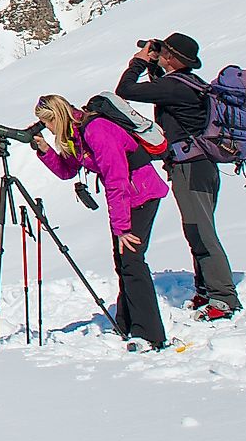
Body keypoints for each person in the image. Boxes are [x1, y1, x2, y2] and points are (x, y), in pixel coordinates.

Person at [115, 32, 241, 321]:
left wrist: (137, 62)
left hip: (190, 168)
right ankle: (208, 290)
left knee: (201, 230)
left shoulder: (174, 87)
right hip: (202, 166)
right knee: (197, 228)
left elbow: (126, 91)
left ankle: (224, 298)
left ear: (170, 56)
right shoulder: (191, 84)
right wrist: (154, 66)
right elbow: (159, 90)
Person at [30, 94, 168, 350]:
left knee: (132, 262)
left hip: (140, 193)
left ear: (56, 118)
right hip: (130, 196)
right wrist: (46, 151)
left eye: (46, 123)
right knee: (123, 261)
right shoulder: (77, 133)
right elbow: (67, 171)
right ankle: (127, 322)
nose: (47, 129)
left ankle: (151, 334)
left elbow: (116, 180)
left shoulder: (96, 130)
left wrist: (122, 228)